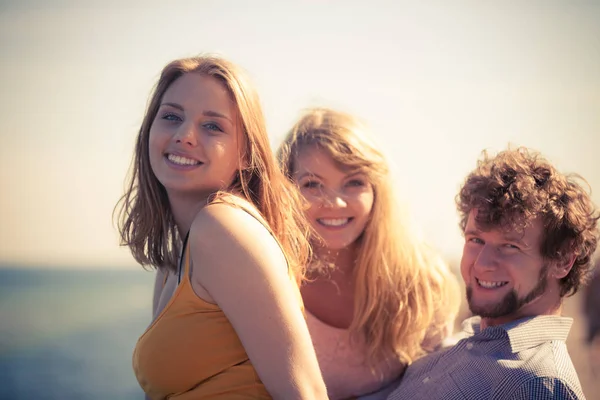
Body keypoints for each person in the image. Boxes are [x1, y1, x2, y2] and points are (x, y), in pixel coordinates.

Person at [115, 55, 328, 399]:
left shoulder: (222, 229)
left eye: (212, 126)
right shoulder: (174, 260)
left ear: (245, 153)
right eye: (171, 116)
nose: (184, 136)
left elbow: (306, 393)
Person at [380, 147, 599, 400]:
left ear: (562, 261)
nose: (482, 263)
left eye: (510, 246)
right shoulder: (456, 345)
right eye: (476, 240)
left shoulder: (539, 384)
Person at [277, 107, 461, 399]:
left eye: (354, 183)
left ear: (378, 189)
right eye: (312, 184)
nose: (334, 202)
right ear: (285, 189)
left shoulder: (420, 282)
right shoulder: (268, 275)